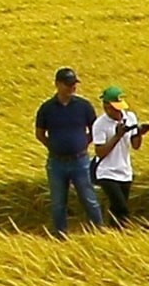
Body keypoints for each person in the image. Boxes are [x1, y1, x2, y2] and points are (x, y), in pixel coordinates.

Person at [37, 65, 103, 236]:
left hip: (80, 161)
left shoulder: (84, 106)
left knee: (89, 199)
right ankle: (60, 235)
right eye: (68, 84)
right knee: (58, 202)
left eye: (74, 83)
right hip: (56, 162)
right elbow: (40, 133)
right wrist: (53, 146)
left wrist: (83, 144)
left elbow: (94, 129)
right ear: (57, 84)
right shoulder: (47, 108)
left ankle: (99, 231)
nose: (72, 87)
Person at [91, 84, 147, 226]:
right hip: (107, 172)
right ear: (106, 106)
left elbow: (135, 145)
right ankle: (125, 232)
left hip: (125, 171)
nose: (119, 111)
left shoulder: (130, 117)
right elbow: (100, 152)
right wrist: (118, 135)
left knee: (117, 210)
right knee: (122, 208)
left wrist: (139, 133)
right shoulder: (100, 124)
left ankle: (114, 235)